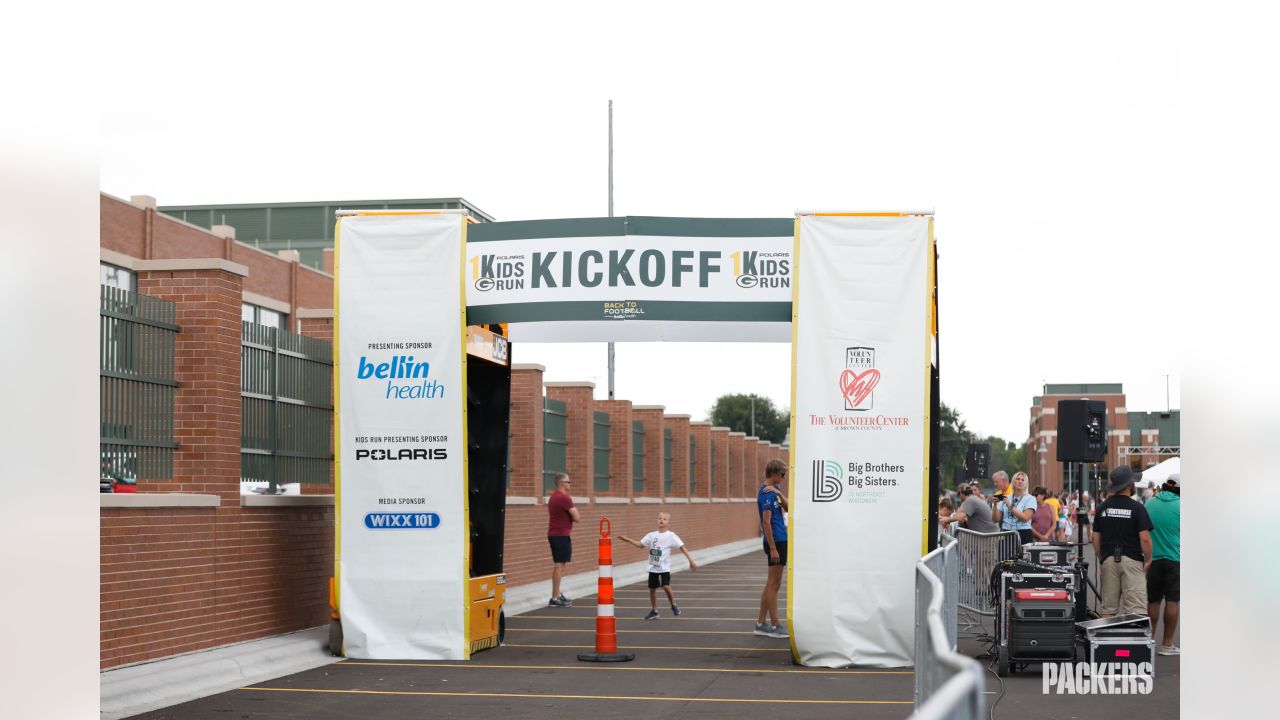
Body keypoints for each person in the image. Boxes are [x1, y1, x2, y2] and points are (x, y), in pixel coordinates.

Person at [1093, 466, 1154, 618]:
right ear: (1128, 485)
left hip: (1108, 560)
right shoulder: (1137, 508)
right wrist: (1148, 559)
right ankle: (1133, 641)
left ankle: (1105, 641)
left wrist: (1102, 559)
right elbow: (1145, 539)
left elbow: (1095, 537)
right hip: (1132, 560)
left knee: (1108, 609)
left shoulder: (1102, 507)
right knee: (1136, 610)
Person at [618, 512, 699, 619]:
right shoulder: (651, 535)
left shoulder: (671, 536)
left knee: (665, 586)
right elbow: (640, 545)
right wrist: (628, 540)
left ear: (668, 522)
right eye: (660, 518)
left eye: (664, 519)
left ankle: (673, 604)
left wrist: (691, 561)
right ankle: (654, 611)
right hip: (653, 568)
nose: (661, 520)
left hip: (664, 568)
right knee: (652, 590)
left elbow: (682, 547)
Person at [1145, 475, 1181, 655]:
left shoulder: (1150, 504)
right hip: (1174, 558)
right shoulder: (1182, 505)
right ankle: (1167, 644)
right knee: (1172, 600)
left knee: (1153, 600)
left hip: (1152, 558)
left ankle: (1149, 641)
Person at [755, 459, 789, 638]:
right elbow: (766, 522)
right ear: (775, 473)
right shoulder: (766, 494)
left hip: (781, 539)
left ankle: (760, 623)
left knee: (772, 584)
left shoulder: (774, 490)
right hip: (776, 541)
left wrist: (779, 492)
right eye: (783, 474)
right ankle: (776, 625)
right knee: (774, 584)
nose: (784, 477)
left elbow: (789, 506)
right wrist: (773, 548)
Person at [546, 473, 581, 607]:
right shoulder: (565, 498)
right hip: (560, 535)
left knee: (560, 566)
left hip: (556, 534)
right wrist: (571, 516)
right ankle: (554, 598)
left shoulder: (554, 497)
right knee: (559, 566)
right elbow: (577, 517)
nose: (570, 484)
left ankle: (557, 594)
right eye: (568, 482)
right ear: (562, 483)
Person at [993, 471, 1037, 543]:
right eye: (1018, 479)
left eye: (1023, 480)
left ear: (1026, 483)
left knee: (1023, 554)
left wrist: (1010, 506)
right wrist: (995, 505)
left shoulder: (1030, 498)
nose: (1020, 481)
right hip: (1006, 532)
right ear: (1013, 481)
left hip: (1023, 533)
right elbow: (995, 520)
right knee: (1004, 554)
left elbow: (1025, 518)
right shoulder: (1005, 497)